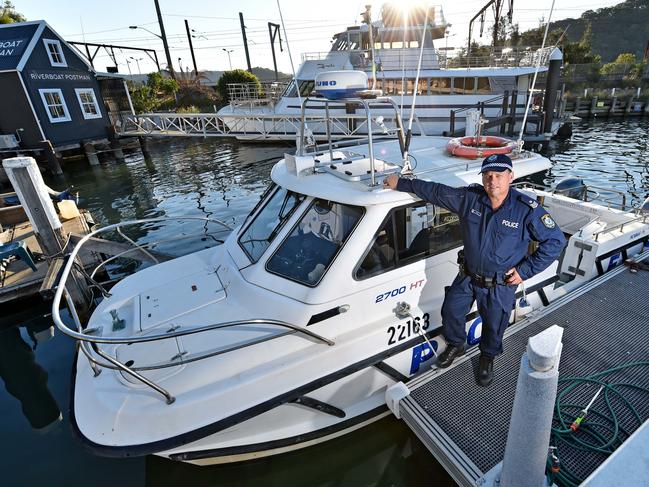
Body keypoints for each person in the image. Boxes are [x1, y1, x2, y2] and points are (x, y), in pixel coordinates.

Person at [383, 154, 566, 386]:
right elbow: (437, 191)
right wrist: (401, 183)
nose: (493, 181)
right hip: (468, 276)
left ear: (511, 177)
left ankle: (487, 358)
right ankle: (456, 345)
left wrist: (525, 271)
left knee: (494, 324)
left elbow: (555, 242)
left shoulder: (527, 210)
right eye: (488, 175)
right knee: (451, 311)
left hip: (500, 284)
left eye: (499, 175)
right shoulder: (470, 199)